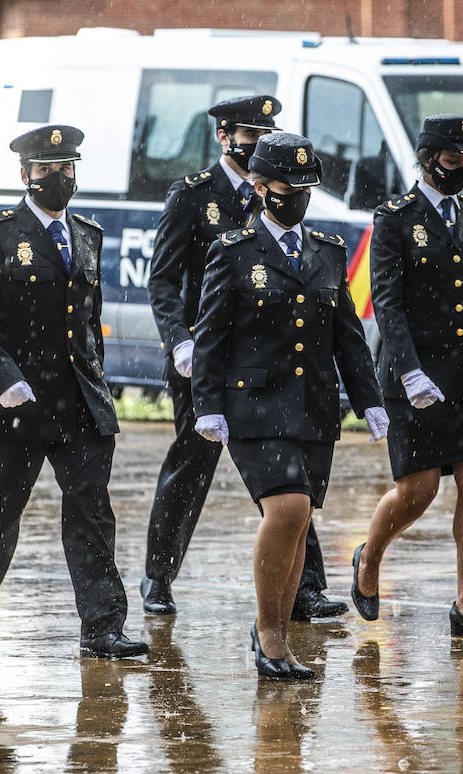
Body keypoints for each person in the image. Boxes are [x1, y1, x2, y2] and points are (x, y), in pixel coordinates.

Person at [0, 124, 147, 659]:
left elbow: (88, 320)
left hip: (77, 401)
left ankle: (102, 627)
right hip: (19, 401)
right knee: (1, 509)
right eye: (45, 170)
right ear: (24, 175)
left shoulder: (86, 233)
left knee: (92, 513)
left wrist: (99, 382)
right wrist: (3, 378)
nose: (57, 178)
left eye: (65, 169)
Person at [143, 95, 349, 621]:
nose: (257, 142)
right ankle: (159, 574)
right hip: (205, 359)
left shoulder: (281, 190)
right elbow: (164, 281)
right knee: (192, 465)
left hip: (269, 362)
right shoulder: (194, 197)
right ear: (223, 137)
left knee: (289, 478)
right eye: (247, 134)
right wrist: (181, 340)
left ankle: (305, 588)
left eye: (265, 132)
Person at [191, 132, 388, 680]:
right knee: (288, 510)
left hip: (313, 405)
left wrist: (369, 399)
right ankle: (270, 633)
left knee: (301, 523)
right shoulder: (232, 252)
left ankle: (275, 629)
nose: (296, 197)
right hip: (253, 403)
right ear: (258, 188)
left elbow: (346, 333)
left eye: (304, 188)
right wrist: (206, 404)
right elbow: (210, 336)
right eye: (284, 188)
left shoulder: (326, 251)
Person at [352, 115, 463, 639]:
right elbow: (388, 302)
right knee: (418, 490)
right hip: (415, 373)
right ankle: (370, 556)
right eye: (454, 161)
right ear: (429, 160)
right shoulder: (395, 219)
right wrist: (408, 372)